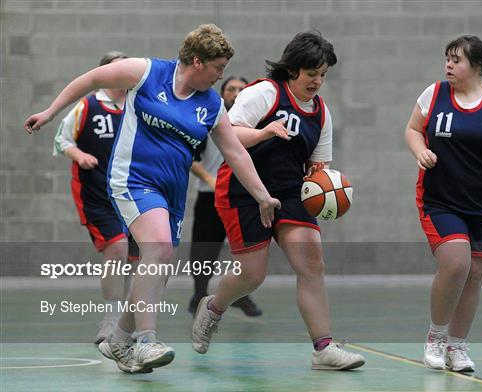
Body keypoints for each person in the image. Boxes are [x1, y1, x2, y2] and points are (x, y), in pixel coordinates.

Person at [24, 24, 280, 374]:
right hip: (132, 179)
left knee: (156, 268)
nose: (222, 74)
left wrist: (263, 196)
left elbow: (234, 152)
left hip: (171, 192)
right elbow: (90, 79)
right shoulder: (146, 72)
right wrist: (50, 113)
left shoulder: (212, 105)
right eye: (218, 67)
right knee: (157, 248)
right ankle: (146, 340)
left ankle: (119, 339)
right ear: (196, 61)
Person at [191, 31, 366, 370]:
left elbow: (319, 164)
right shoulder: (265, 93)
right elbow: (228, 133)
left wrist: (327, 184)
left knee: (312, 262)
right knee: (252, 275)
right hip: (243, 189)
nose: (317, 81)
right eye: (312, 73)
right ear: (292, 69)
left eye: (323, 74)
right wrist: (264, 132)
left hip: (290, 193)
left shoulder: (321, 113)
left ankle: (323, 348)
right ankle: (213, 308)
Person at [405, 35, 482, 372]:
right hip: (441, 200)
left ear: (477, 66)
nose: (448, 65)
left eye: (456, 60)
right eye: (447, 58)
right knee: (456, 263)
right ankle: (435, 337)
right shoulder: (434, 94)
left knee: (474, 275)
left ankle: (457, 347)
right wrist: (420, 151)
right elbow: (413, 129)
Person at [53, 51, 141, 345]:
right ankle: (111, 318)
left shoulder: (136, 105)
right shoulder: (87, 106)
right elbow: (61, 139)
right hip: (95, 194)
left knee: (134, 259)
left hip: (130, 194)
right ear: (105, 74)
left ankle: (130, 322)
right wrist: (79, 154)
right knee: (116, 250)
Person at [188, 75, 263, 317]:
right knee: (204, 250)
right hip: (210, 196)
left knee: (245, 251)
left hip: (244, 198)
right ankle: (199, 293)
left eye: (242, 88)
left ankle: (240, 295)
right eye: (231, 89)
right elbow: (190, 158)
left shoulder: (256, 124)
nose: (237, 93)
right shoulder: (209, 121)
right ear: (223, 94)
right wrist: (210, 179)